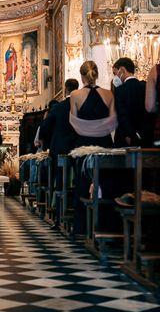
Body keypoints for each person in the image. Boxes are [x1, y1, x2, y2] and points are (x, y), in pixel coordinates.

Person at [69, 61, 117, 235]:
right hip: (104, 143)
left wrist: (88, 129)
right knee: (106, 183)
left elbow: (74, 122)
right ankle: (105, 226)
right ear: (96, 74)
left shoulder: (75, 95)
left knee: (82, 184)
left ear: (82, 76)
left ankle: (82, 227)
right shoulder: (109, 94)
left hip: (83, 144)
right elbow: (112, 122)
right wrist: (100, 129)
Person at [39, 79, 79, 225]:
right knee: (76, 181)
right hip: (77, 148)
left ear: (65, 89)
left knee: (59, 181)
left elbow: (45, 127)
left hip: (60, 148)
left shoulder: (58, 107)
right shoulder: (80, 104)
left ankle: (58, 215)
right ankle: (75, 213)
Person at [112, 57, 152, 147]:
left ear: (122, 70)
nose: (115, 77)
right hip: (145, 137)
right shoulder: (145, 86)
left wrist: (131, 135)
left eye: (115, 73)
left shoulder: (120, 90)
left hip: (125, 138)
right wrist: (140, 134)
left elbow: (122, 116)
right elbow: (150, 112)